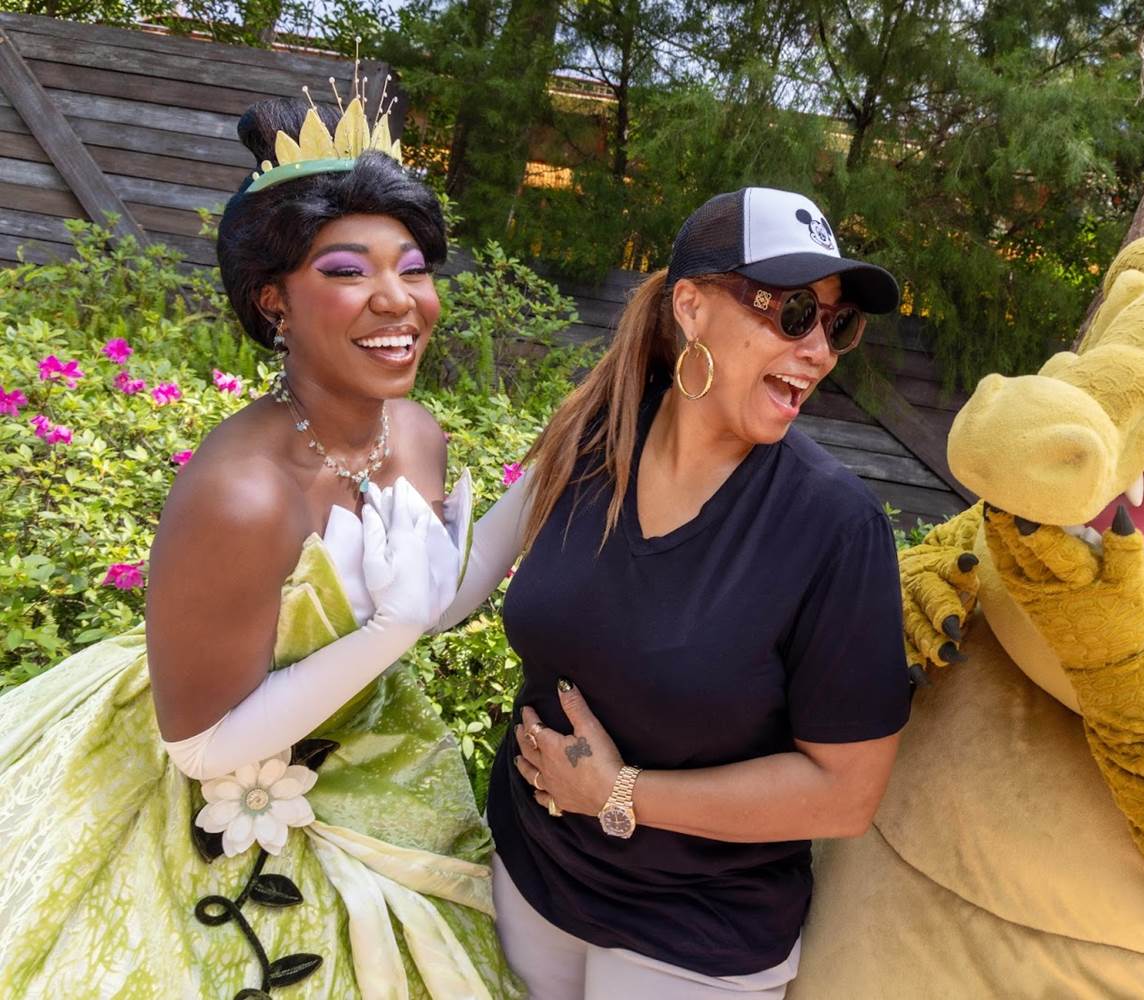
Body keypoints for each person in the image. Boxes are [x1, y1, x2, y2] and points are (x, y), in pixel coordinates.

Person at [0, 95, 515, 997]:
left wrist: (551, 479)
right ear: (274, 300)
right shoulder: (240, 494)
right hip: (223, 794)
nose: (398, 299)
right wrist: (390, 632)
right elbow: (202, 749)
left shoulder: (416, 433)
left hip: (385, 772)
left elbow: (433, 599)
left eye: (415, 268)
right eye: (348, 271)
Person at [437, 187, 912, 999]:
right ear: (691, 307)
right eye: (795, 313)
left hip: (693, 935)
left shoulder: (836, 529)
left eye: (838, 325)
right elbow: (457, 577)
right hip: (529, 876)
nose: (819, 351)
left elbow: (845, 795)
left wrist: (617, 794)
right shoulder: (594, 434)